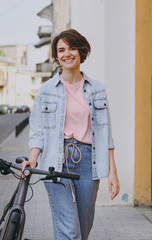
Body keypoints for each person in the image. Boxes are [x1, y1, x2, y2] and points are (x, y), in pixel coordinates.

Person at [21, 29, 120, 240]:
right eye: (61, 50)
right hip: (55, 162)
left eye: (72, 48)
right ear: (56, 56)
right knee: (69, 231)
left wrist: (113, 172)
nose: (67, 53)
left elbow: (105, 132)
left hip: (88, 162)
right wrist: (32, 159)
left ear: (81, 51)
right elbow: (38, 130)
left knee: (83, 229)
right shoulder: (46, 90)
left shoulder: (97, 89)